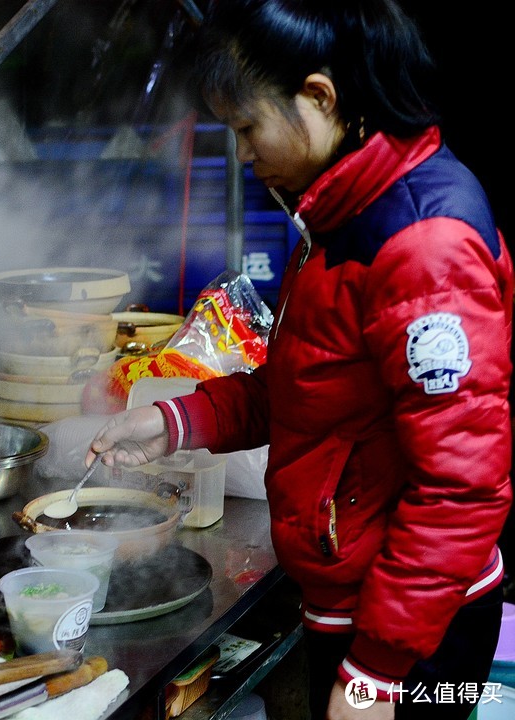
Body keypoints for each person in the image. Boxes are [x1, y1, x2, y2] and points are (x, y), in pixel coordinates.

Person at [87, 1, 513, 718]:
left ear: (320, 98)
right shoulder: (341, 213)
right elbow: (303, 387)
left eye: (249, 128)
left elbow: (461, 488)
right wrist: (170, 424)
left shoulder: (421, 245)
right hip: (356, 600)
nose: (245, 155)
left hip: (412, 630)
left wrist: (376, 671)